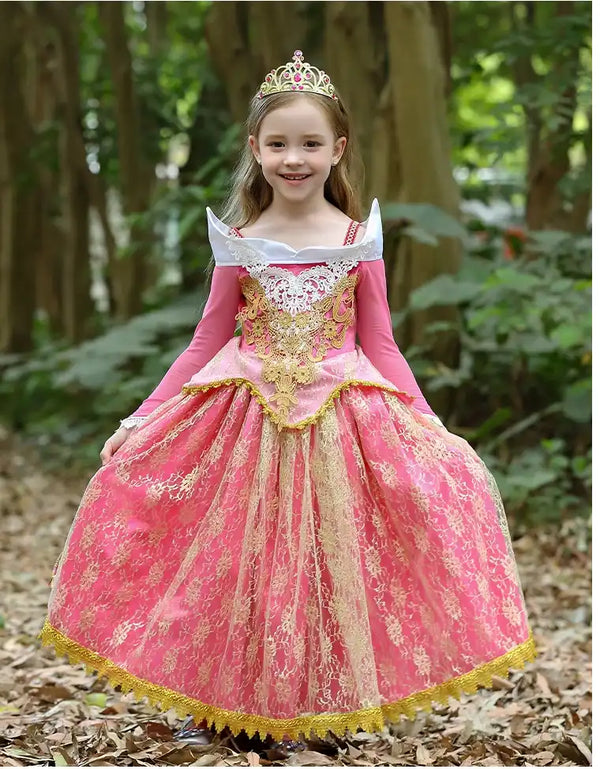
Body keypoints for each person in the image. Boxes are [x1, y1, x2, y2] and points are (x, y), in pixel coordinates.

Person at [39, 50, 536, 746]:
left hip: (341, 418)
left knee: (328, 564)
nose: (293, 158)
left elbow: (382, 344)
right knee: (237, 562)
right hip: (243, 422)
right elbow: (203, 342)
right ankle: (226, 706)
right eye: (278, 144)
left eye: (309, 144)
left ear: (338, 149)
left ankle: (321, 705)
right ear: (255, 149)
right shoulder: (238, 242)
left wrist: (431, 425)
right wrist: (139, 417)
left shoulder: (357, 239)